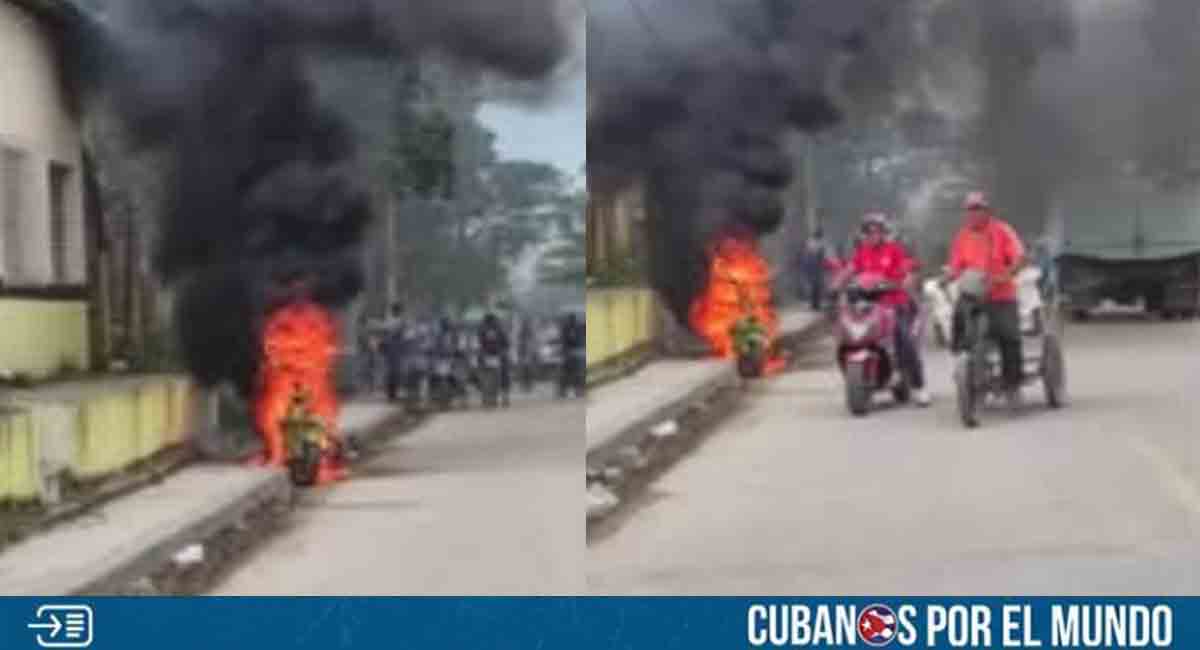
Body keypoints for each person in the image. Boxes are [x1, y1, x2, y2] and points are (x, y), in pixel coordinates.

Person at [947, 191, 1027, 405]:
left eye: (977, 209)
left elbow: (1019, 257)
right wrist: (947, 276)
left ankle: (1012, 384)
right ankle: (963, 365)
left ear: (987, 211)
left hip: (1000, 294)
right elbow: (955, 266)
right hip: (972, 295)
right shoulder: (961, 236)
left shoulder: (1002, 231)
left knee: (1009, 336)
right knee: (958, 323)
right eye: (970, 210)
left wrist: (1007, 274)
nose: (973, 214)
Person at [848, 212, 930, 406]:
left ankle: (920, 387)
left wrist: (905, 280)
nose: (872, 235)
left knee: (905, 341)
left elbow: (906, 270)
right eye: (868, 231)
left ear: (883, 233)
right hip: (870, 307)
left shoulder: (894, 250)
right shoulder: (862, 252)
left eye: (876, 231)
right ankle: (869, 375)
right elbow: (850, 270)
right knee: (856, 333)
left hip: (895, 304)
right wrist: (836, 285)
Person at [478, 312, 512, 405]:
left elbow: (480, 343)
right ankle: (503, 396)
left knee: (486, 377)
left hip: (492, 356)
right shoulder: (499, 328)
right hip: (493, 356)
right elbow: (507, 343)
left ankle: (489, 397)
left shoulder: (482, 329)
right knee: (503, 375)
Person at [558, 311, 586, 397]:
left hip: (573, 353)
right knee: (575, 373)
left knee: (569, 373)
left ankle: (567, 390)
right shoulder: (572, 328)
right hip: (575, 353)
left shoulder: (567, 328)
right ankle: (575, 390)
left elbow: (565, 340)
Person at [804, 228, 831, 311]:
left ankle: (815, 304)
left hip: (815, 265)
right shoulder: (814, 242)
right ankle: (815, 304)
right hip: (815, 265)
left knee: (816, 286)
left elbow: (822, 254)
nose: (820, 236)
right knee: (815, 286)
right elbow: (820, 254)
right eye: (819, 234)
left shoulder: (812, 242)